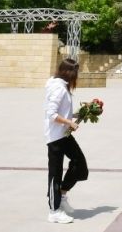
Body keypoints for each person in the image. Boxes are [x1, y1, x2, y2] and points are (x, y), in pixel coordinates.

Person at [44, 58, 89, 224]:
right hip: (55, 138)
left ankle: (62, 195)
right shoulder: (59, 88)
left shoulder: (62, 86)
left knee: (80, 164)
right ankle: (54, 211)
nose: (77, 76)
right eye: (76, 72)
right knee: (55, 174)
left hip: (65, 135)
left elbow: (62, 112)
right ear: (69, 72)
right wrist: (69, 122)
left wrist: (80, 113)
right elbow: (51, 114)